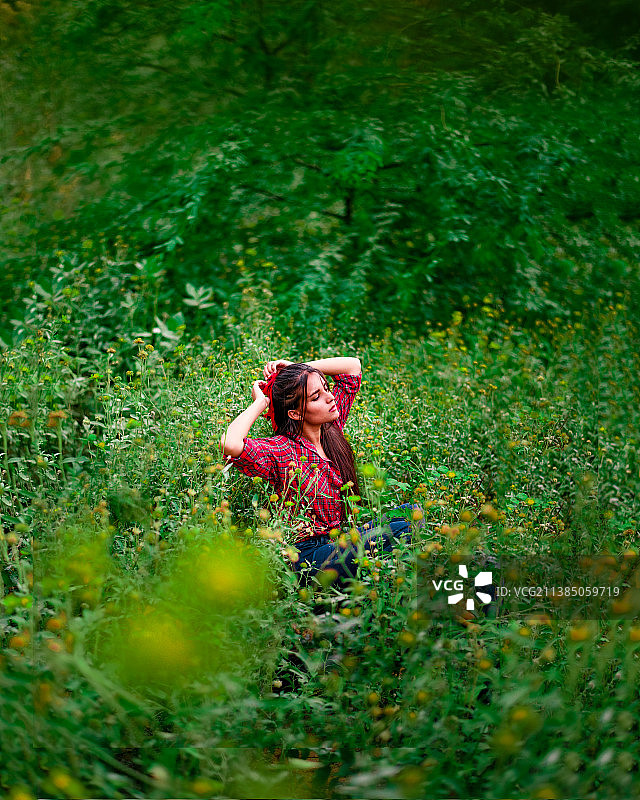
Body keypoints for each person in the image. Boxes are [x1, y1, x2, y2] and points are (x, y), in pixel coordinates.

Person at [220, 356, 420, 582]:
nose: (330, 397)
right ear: (295, 413)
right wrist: (261, 403)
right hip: (306, 558)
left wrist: (298, 369)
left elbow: (352, 367)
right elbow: (230, 443)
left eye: (326, 388)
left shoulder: (330, 430)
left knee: (412, 512)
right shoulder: (281, 449)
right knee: (402, 531)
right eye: (317, 397)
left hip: (337, 542)